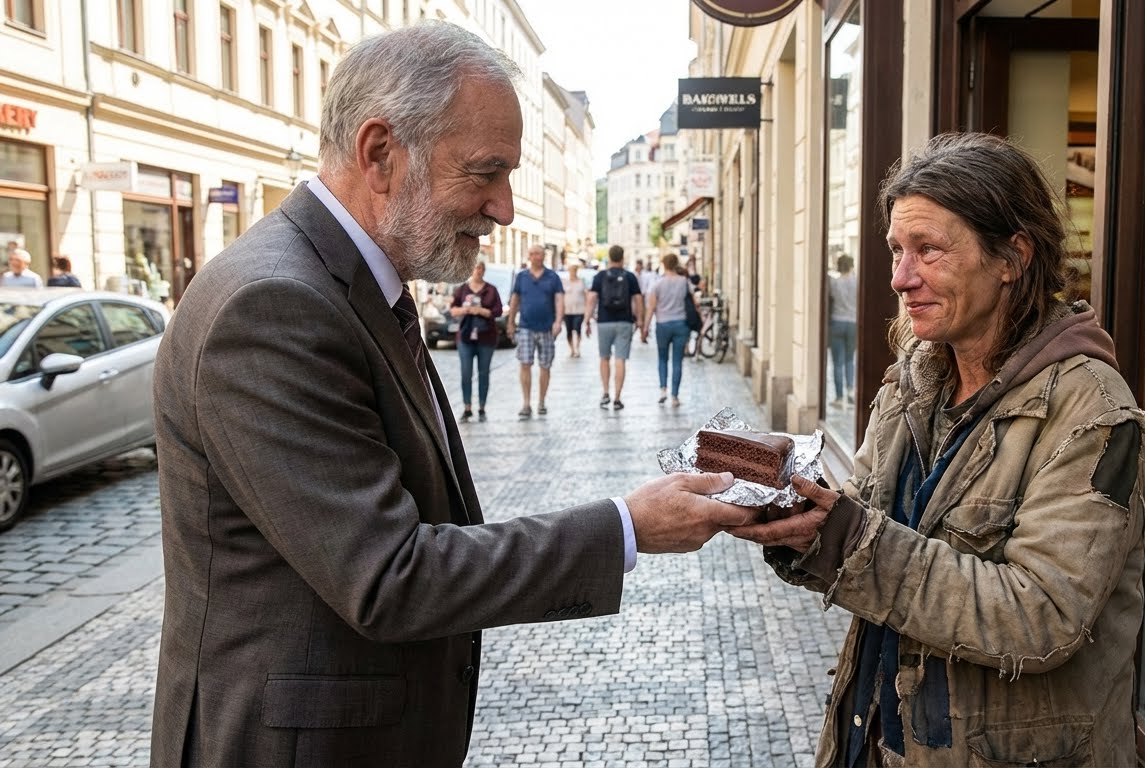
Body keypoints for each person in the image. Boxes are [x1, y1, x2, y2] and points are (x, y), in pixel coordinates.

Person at [150, 23, 752, 768]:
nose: (503, 207)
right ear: (379, 154)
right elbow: (388, 575)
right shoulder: (275, 303)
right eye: (485, 172)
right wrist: (626, 526)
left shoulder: (348, 283)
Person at [728, 132, 1145, 767]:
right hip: (876, 738)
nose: (901, 278)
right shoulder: (914, 380)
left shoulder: (1091, 410)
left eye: (928, 250)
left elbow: (1044, 615)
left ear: (1011, 256)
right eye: (897, 250)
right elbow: (868, 518)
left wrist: (849, 539)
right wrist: (796, 513)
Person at [506, 244, 563, 419]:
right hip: (526, 327)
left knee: (545, 365)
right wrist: (510, 322)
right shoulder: (522, 277)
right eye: (531, 254)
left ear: (543, 256)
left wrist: (558, 321)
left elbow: (559, 300)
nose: (534, 256)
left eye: (537, 253)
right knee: (525, 364)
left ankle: (541, 401)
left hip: (546, 328)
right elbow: (515, 300)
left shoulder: (553, 277)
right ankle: (526, 403)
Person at [586, 244, 642, 411]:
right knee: (620, 360)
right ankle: (617, 397)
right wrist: (640, 320)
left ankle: (605, 393)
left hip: (604, 322)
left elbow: (591, 299)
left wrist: (586, 320)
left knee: (604, 358)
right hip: (625, 322)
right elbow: (638, 300)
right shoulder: (630, 277)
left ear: (609, 258)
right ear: (622, 258)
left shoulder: (600, 276)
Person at [451, 260, 502, 422]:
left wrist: (481, 311)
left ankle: (481, 407)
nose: (477, 271)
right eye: (474, 267)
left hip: (486, 336)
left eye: (480, 268)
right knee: (466, 373)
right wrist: (466, 309)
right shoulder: (462, 289)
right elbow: (453, 310)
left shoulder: (491, 290)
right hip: (465, 336)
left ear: (484, 270)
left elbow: (498, 311)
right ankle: (467, 407)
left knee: (483, 372)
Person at [642, 253, 691, 407]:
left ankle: (663, 390)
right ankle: (675, 396)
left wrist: (645, 328)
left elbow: (651, 308)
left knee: (662, 358)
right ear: (676, 264)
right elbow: (693, 301)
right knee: (677, 361)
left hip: (662, 324)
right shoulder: (684, 282)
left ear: (663, 264)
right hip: (680, 324)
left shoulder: (657, 284)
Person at [827, 253, 857, 407]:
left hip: (837, 322)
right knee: (850, 359)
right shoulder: (856, 282)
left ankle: (839, 397)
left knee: (837, 362)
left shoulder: (834, 283)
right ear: (851, 265)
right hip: (852, 323)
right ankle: (851, 391)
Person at [562, 261, 587, 358]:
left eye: (574, 270)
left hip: (579, 310)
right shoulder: (565, 282)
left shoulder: (581, 281)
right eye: (571, 270)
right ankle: (572, 349)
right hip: (567, 310)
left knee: (577, 328)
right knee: (569, 331)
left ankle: (577, 348)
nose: (573, 272)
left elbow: (586, 294)